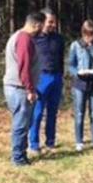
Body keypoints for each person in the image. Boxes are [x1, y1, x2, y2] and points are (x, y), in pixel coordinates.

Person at [2, 12, 44, 166]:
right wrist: (30, 90)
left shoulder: (19, 36)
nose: (42, 30)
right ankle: (18, 158)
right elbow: (24, 67)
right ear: (36, 25)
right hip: (19, 88)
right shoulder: (24, 39)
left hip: (17, 87)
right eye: (42, 26)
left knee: (23, 122)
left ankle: (21, 154)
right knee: (20, 124)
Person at [29, 9, 65, 154]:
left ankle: (50, 142)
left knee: (52, 112)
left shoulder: (59, 39)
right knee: (37, 113)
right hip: (41, 78)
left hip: (56, 77)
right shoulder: (34, 39)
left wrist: (61, 76)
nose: (52, 25)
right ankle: (34, 144)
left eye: (54, 22)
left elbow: (61, 58)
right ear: (43, 22)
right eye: (50, 22)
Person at [68, 20, 93, 152]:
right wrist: (76, 72)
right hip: (80, 83)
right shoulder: (75, 45)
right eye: (86, 33)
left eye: (92, 33)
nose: (89, 36)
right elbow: (71, 65)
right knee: (79, 113)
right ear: (82, 33)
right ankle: (79, 141)